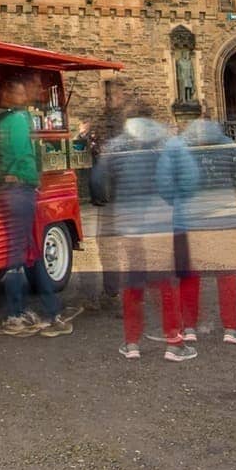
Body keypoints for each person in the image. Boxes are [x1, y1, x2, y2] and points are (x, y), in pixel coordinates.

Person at [92, 98, 192, 361]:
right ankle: (174, 343)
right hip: (159, 222)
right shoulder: (169, 143)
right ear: (152, 117)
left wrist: (110, 200)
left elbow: (98, 183)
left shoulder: (114, 146)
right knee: (165, 283)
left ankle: (132, 344)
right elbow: (188, 179)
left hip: (130, 223)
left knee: (133, 283)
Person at [0, 75, 71, 338]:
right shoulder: (18, 119)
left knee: (23, 251)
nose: (25, 94)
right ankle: (42, 313)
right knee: (25, 253)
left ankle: (31, 312)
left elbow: (6, 156)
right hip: (20, 189)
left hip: (8, 189)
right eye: (22, 90)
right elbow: (25, 155)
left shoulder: (2, 120)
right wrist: (31, 180)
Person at [173, 118, 236, 345]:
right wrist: (229, 197)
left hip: (190, 220)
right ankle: (231, 329)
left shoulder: (179, 147)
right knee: (226, 274)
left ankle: (188, 328)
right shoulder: (227, 144)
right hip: (224, 219)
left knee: (189, 275)